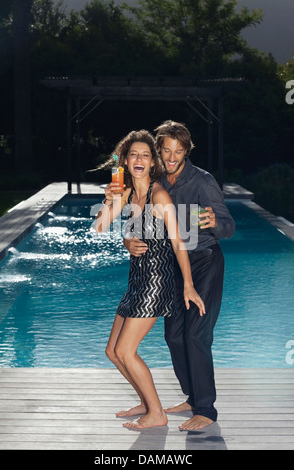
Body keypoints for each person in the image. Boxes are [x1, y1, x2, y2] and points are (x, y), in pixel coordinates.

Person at [124, 121, 235, 431]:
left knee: (195, 335)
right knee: (173, 336)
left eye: (179, 152)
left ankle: (206, 409)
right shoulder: (155, 180)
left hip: (205, 263)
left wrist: (214, 221)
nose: (172, 157)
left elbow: (228, 226)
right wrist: (128, 240)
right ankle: (192, 395)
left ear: (187, 151)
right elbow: (136, 220)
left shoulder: (202, 182)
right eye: (166, 151)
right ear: (159, 150)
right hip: (173, 266)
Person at [94, 129, 205, 430]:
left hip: (157, 282)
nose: (139, 159)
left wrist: (188, 284)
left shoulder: (159, 195)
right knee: (112, 351)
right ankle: (145, 401)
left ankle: (156, 413)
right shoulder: (127, 193)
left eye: (145, 154)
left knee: (126, 351)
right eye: (134, 155)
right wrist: (109, 201)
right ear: (126, 161)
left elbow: (179, 241)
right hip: (137, 279)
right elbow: (100, 226)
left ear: (152, 161)